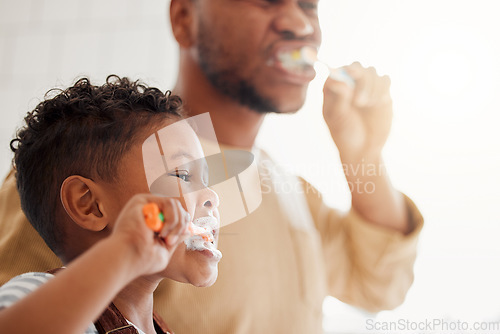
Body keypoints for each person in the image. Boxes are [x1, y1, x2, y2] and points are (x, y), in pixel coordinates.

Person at [0, 1, 424, 333]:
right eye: (266, 1)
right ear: (185, 17)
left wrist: (363, 157)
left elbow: (379, 285)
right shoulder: (84, 159)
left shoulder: (287, 189)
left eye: (310, 5)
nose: (299, 23)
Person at [0, 76, 222, 333]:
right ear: (90, 205)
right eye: (182, 175)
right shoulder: (39, 296)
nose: (211, 197)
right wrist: (122, 251)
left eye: (206, 180)